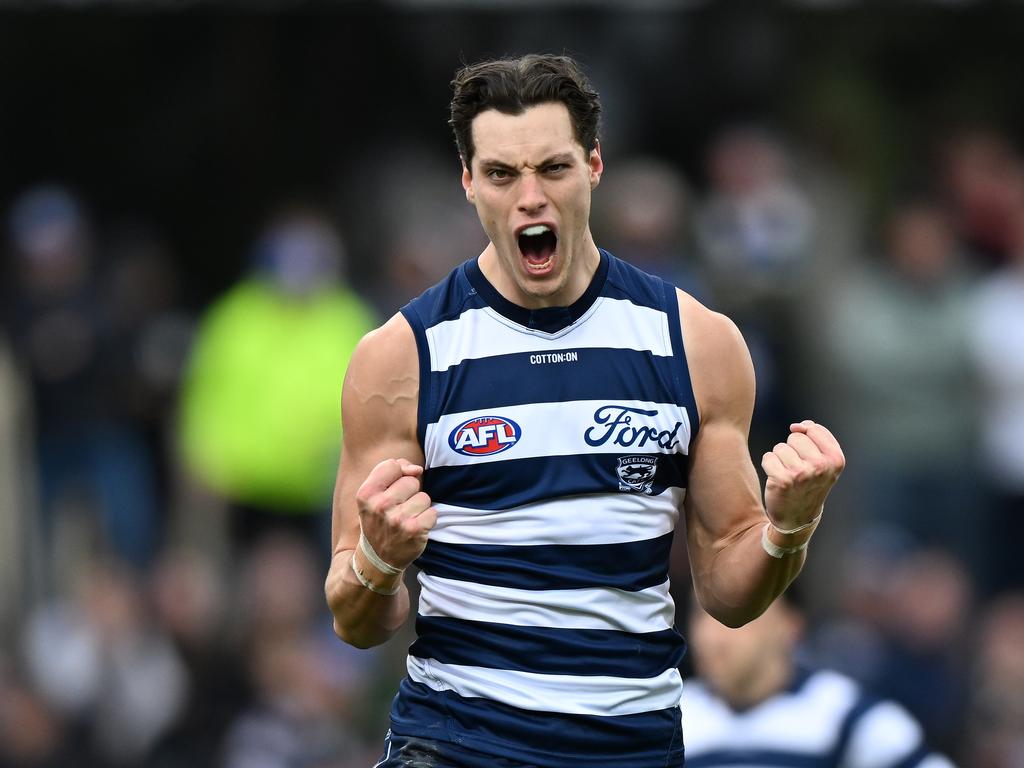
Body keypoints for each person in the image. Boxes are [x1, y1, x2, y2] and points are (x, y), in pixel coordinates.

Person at [324, 54, 845, 768]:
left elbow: (728, 592)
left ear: (594, 166)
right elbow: (356, 620)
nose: (529, 196)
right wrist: (380, 558)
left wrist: (790, 526)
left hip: (628, 746)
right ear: (469, 182)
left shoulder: (694, 342)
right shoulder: (402, 358)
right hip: (456, 743)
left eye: (553, 168)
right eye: (503, 174)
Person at [682, 595, 955, 768]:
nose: (711, 636)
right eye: (701, 614)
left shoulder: (845, 716)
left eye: (736, 615)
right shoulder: (670, 718)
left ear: (790, 625)